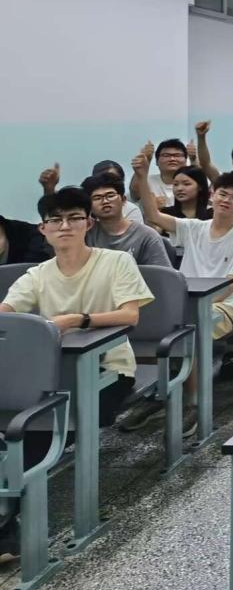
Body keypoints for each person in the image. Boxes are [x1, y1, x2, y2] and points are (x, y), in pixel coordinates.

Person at [0, 186, 152, 556]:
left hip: (108, 369)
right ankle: (8, 519)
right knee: (25, 429)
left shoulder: (115, 262)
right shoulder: (38, 274)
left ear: (88, 223)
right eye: (55, 220)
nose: (64, 226)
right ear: (43, 229)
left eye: (73, 218)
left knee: (37, 432)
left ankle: (9, 523)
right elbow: (7, 311)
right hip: (51, 376)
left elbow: (130, 314)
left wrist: (77, 320)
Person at [128, 155, 233, 435]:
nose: (226, 200)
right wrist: (141, 176)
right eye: (222, 193)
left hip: (226, 306)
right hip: (184, 304)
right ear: (212, 195)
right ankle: (161, 395)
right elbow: (154, 216)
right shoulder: (194, 228)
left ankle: (193, 404)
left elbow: (231, 284)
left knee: (189, 331)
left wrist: (193, 307)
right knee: (155, 328)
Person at [81, 173, 171, 267]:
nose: (105, 201)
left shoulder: (147, 236)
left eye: (110, 195)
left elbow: (162, 273)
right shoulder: (85, 234)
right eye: (97, 198)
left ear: (123, 200)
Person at [130, 137, 190, 205]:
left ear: (186, 160)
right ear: (156, 161)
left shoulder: (192, 182)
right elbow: (135, 195)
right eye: (166, 155)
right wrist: (146, 160)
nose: (172, 159)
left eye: (177, 155)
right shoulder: (147, 181)